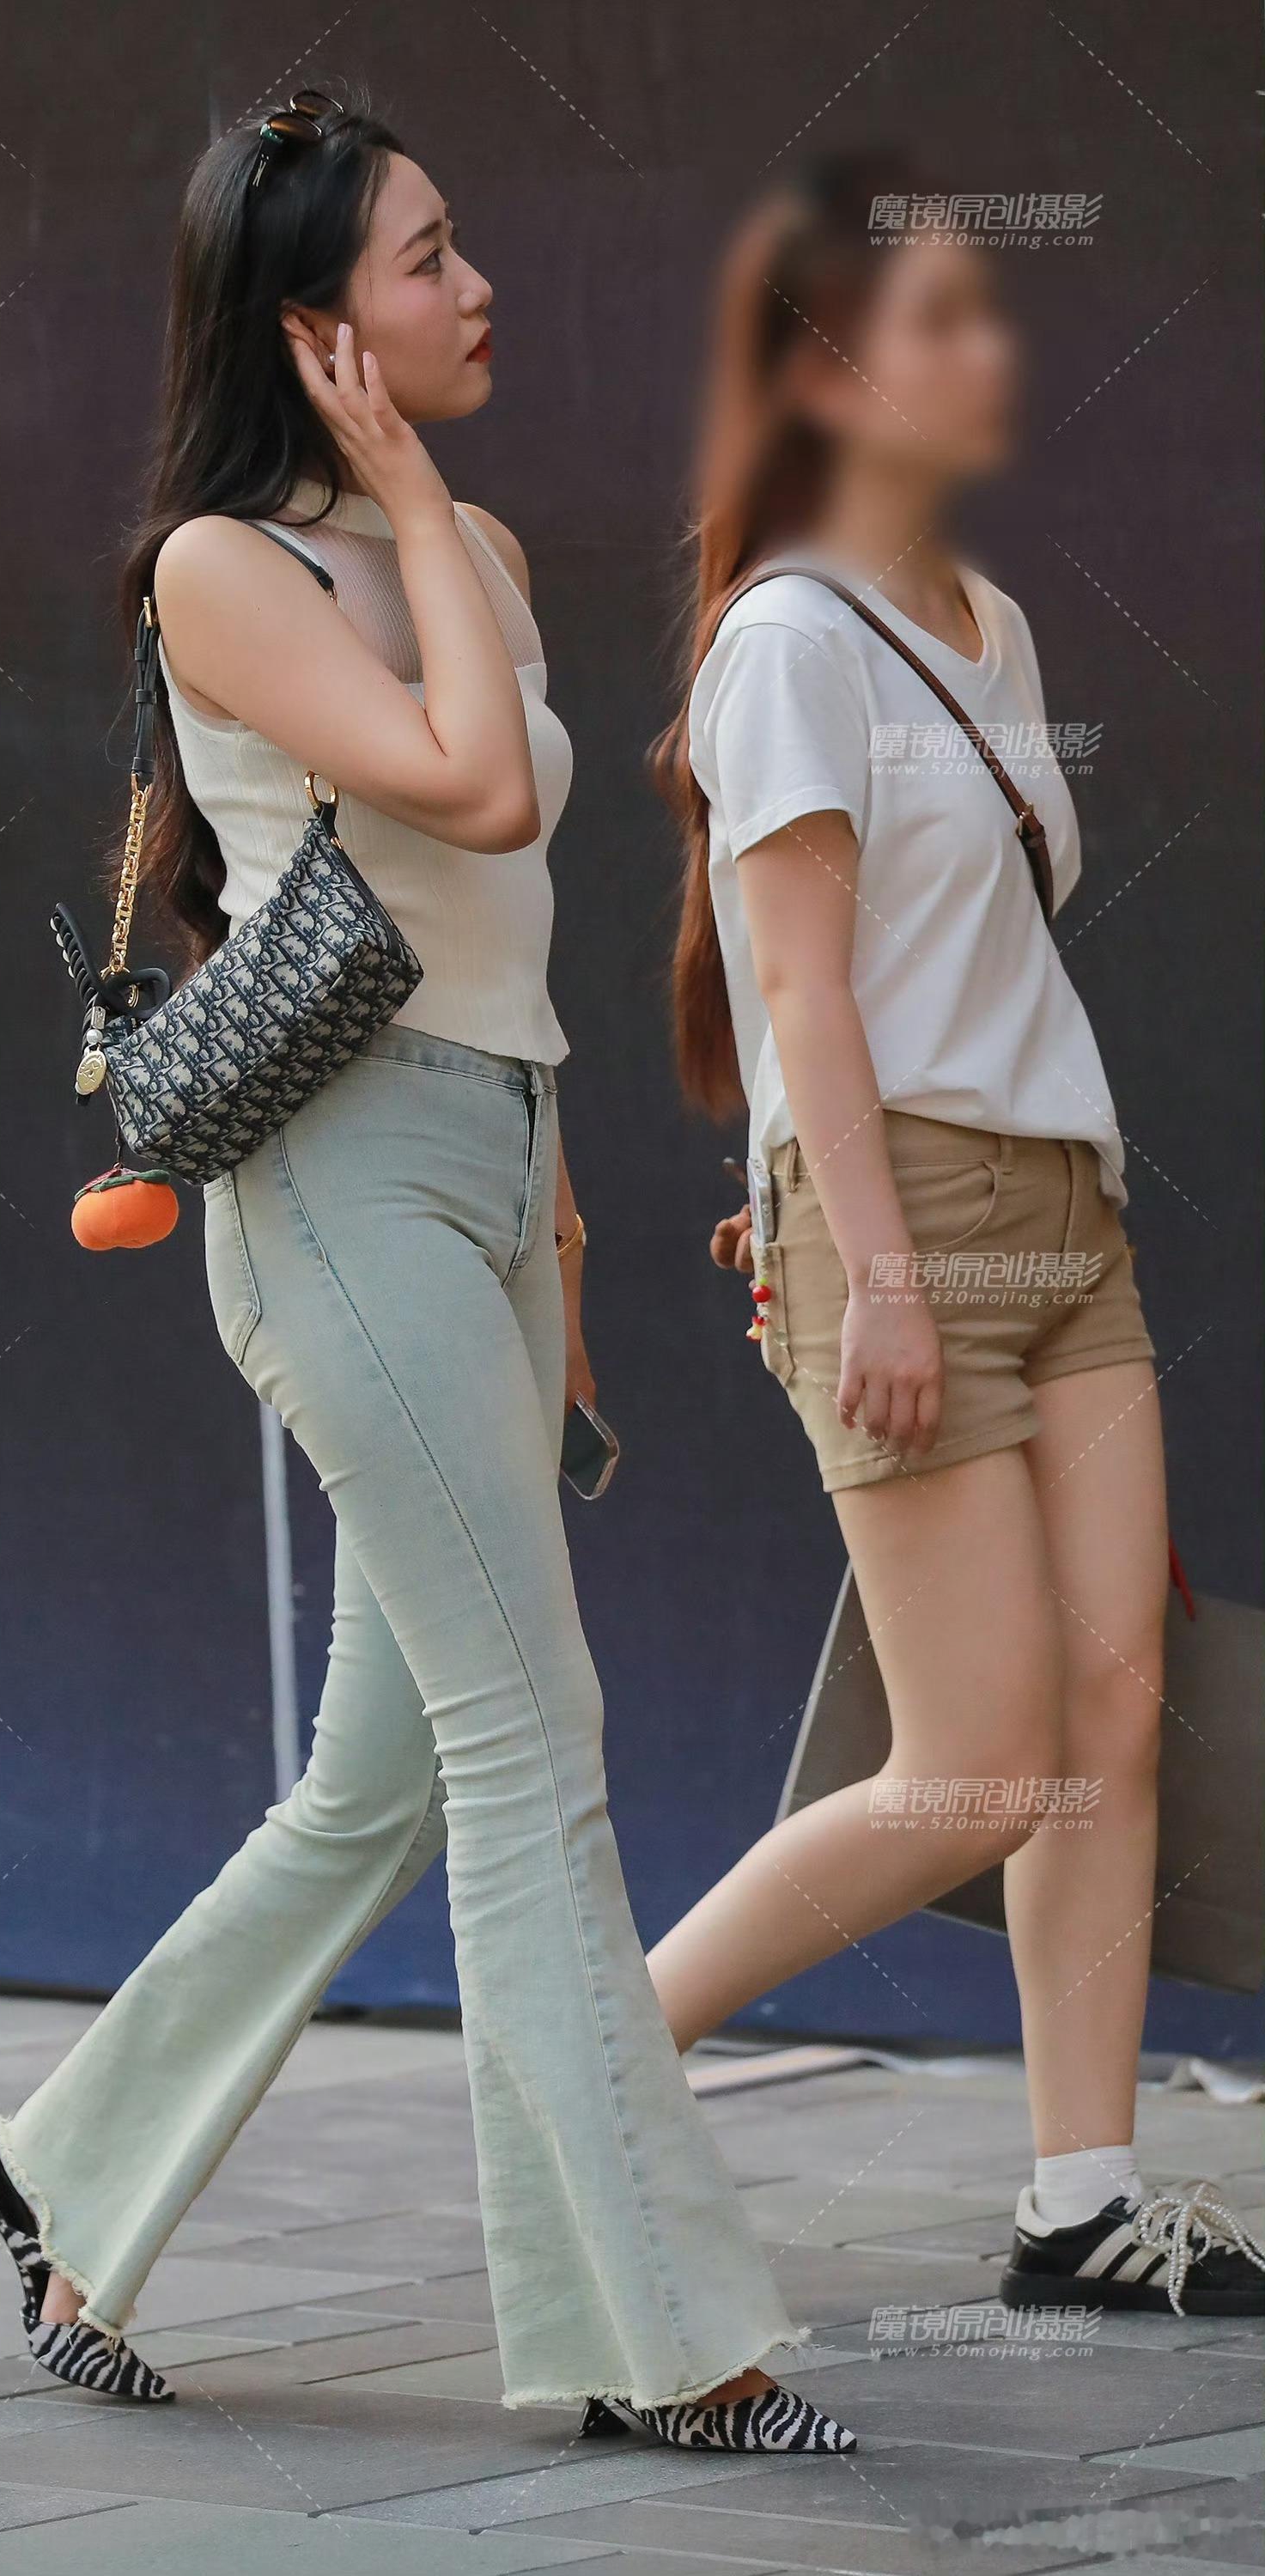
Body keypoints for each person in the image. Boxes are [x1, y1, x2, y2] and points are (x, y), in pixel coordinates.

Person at [0, 92, 857, 2451]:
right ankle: (663, 2343)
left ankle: (63, 2180)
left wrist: (559, 1216)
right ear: (316, 330)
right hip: (336, 1192)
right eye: (427, 258)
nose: (477, 286)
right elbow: (479, 788)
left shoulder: (478, 549)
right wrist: (421, 511)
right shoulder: (223, 569)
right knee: (533, 1741)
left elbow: (505, 918)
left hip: (490, 1165)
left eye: (462, 244)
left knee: (377, 1788)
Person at [645, 153, 1265, 2321]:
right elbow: (799, 989)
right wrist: (872, 1264)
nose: (989, 347)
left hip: (1066, 1215)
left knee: (1109, 1719)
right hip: (907, 1221)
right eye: (937, 319)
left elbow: (956, 955)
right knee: (978, 1762)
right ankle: (584, 2069)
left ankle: (1078, 2200)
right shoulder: (787, 643)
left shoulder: (989, 628)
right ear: (828, 372)